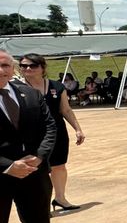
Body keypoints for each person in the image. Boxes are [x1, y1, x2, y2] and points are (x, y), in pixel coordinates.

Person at [1, 49, 78, 223]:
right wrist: (8, 165)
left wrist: (39, 157)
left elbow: (49, 126)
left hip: (33, 169)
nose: (3, 71)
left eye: (6, 65)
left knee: (38, 221)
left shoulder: (29, 94)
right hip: (2, 172)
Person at [18, 54, 86, 211]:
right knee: (36, 169)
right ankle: (41, 205)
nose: (27, 69)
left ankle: (60, 198)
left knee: (59, 166)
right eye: (23, 66)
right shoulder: (16, 87)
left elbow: (66, 110)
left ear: (43, 68)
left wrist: (78, 129)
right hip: (31, 134)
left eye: (32, 65)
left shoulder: (57, 86)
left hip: (57, 131)